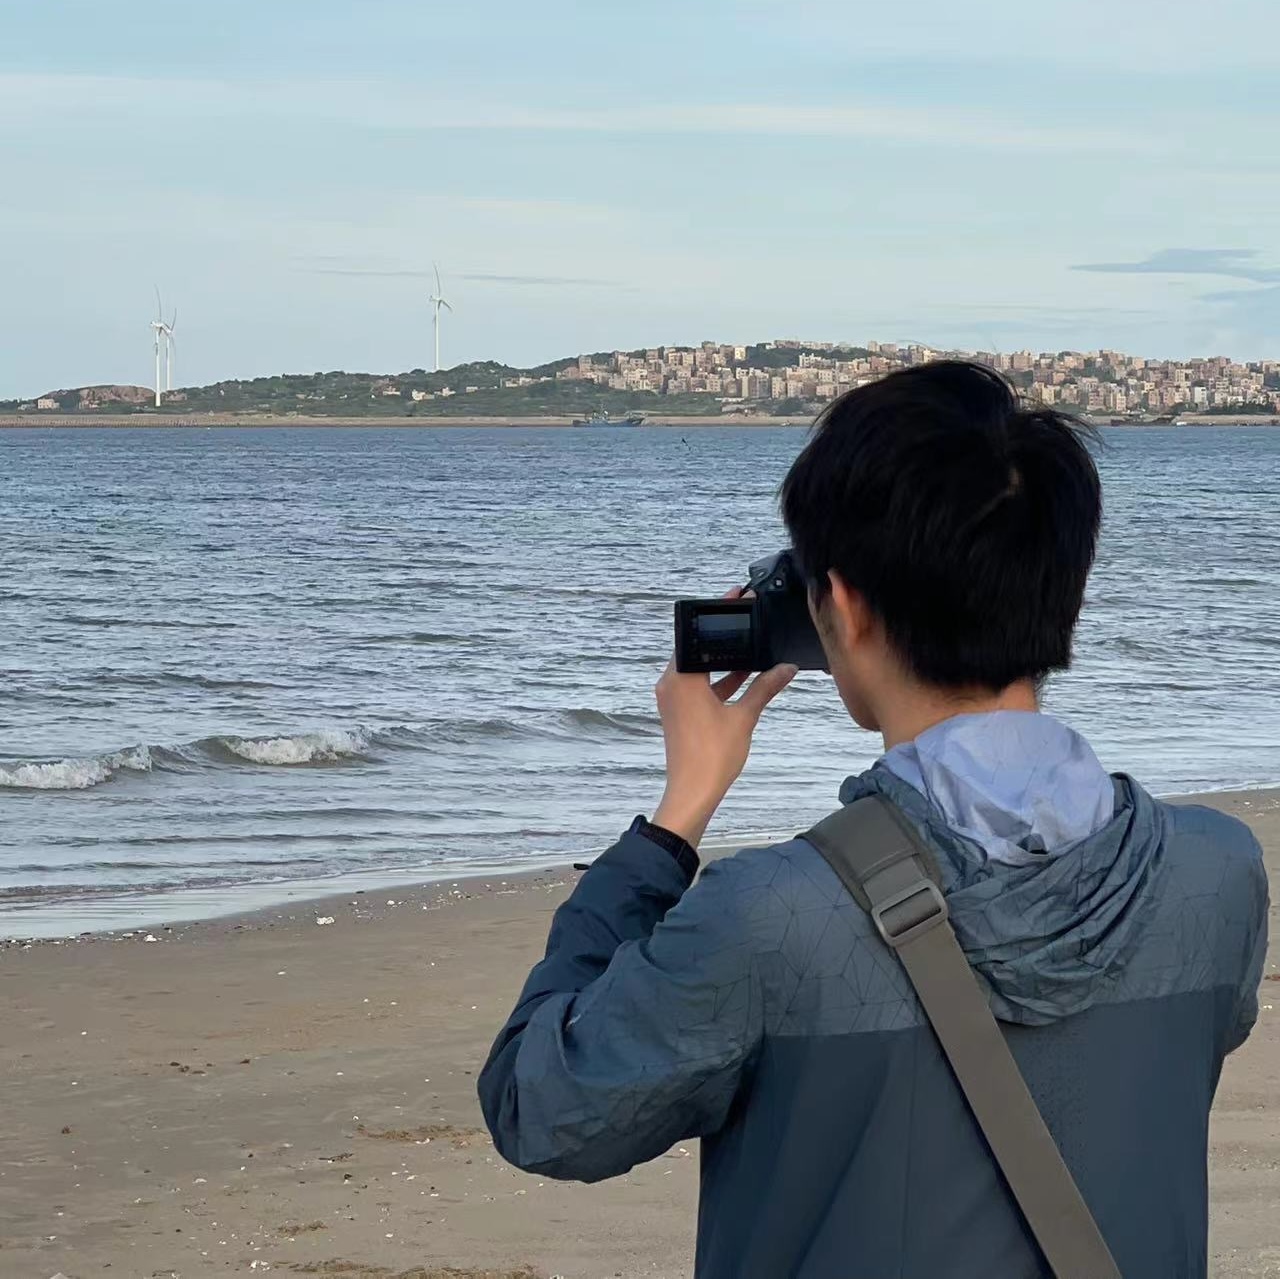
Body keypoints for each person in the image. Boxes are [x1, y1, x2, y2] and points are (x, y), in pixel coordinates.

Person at [478, 361, 1269, 1279]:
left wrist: (676, 817)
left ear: (841, 608)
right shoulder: (1216, 874)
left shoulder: (769, 920)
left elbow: (542, 1107)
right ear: (1066, 589)